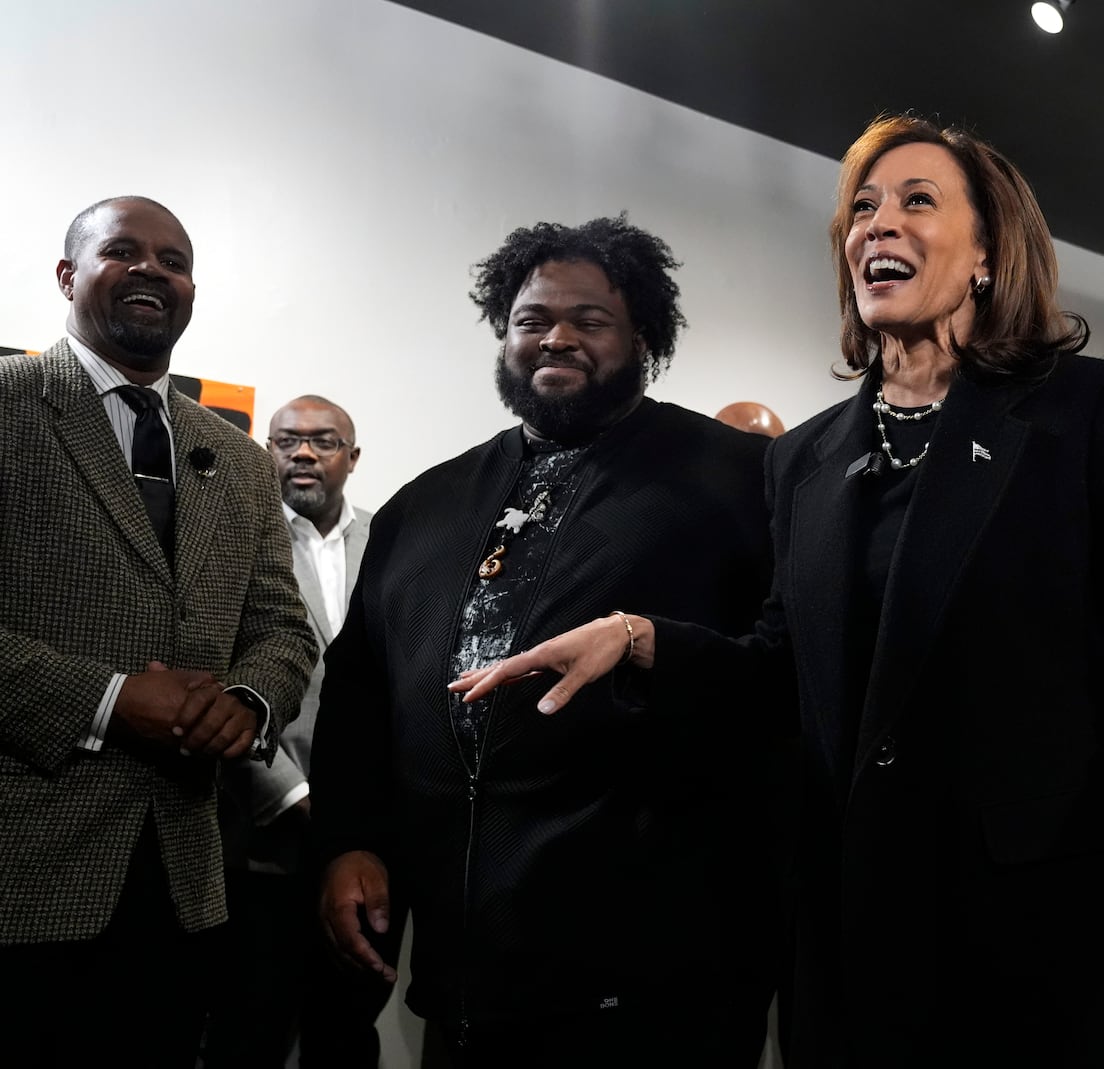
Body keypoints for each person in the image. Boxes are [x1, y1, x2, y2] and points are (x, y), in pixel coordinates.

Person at [454, 118, 1104, 1067]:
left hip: (1046, 922)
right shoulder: (804, 460)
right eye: (863, 207)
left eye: (918, 200)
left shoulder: (1083, 410)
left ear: (983, 253)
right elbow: (787, 658)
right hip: (857, 924)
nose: (879, 221)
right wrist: (642, 637)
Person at [314, 217, 779, 1066]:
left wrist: (645, 643)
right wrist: (353, 839)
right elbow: (358, 692)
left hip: (651, 971)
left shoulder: (736, 481)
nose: (557, 336)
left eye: (590, 319)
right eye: (532, 320)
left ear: (643, 335)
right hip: (461, 967)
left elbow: (787, 676)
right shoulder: (428, 503)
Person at [0, 195, 316, 1064]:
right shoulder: (9, 407)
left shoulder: (244, 461)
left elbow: (283, 625)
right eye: (123, 251)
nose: (152, 270)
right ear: (67, 275)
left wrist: (249, 702)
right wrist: (107, 698)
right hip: (21, 873)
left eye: (172, 261)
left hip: (184, 879)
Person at [206, 396, 394, 1066]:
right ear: (267, 451)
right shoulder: (231, 541)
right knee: (247, 1029)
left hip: (373, 842)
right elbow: (220, 676)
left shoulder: (393, 540)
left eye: (323, 441)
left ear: (353, 456)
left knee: (346, 1034)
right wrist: (288, 796)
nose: (304, 453)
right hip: (264, 835)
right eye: (286, 441)